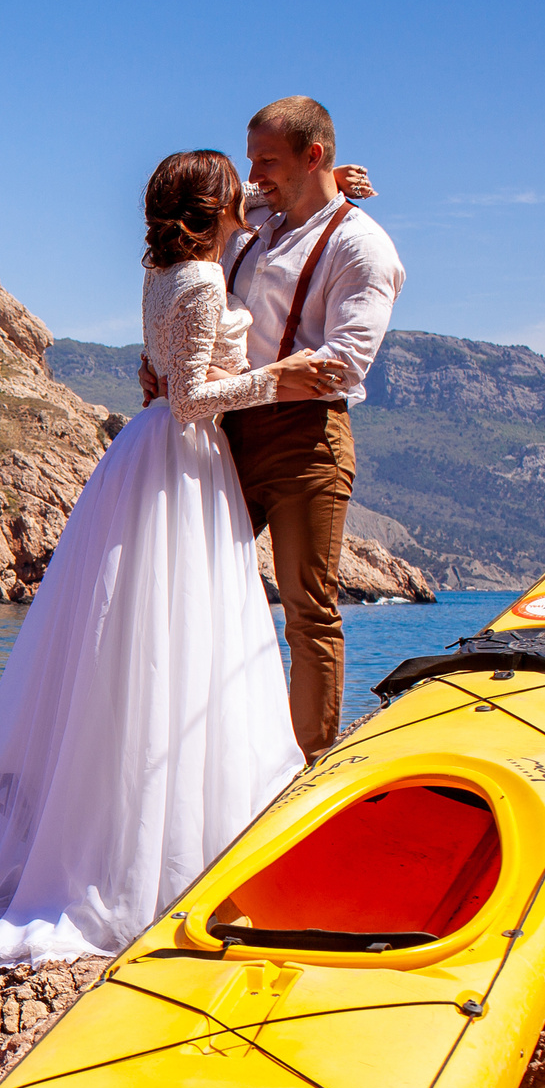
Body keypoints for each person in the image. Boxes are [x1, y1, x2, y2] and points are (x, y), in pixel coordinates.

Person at [0, 152, 339, 966]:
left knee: (150, 643)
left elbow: (161, 373)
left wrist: (334, 189)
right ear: (214, 204)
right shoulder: (196, 281)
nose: (248, 197)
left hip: (158, 452)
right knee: (179, 638)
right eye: (237, 188)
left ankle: (143, 830)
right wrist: (278, 377)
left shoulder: (168, 272)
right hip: (185, 451)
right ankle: (163, 853)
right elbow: (190, 395)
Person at [144, 97, 406, 758]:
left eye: (267, 160)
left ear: (312, 156)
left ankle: (310, 763)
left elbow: (342, 363)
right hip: (219, 435)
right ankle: (199, 760)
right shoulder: (253, 216)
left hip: (303, 441)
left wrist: (230, 385)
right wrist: (165, 369)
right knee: (192, 598)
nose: (253, 176)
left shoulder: (362, 247)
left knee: (307, 612)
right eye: (251, 159)